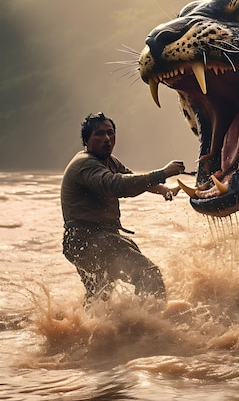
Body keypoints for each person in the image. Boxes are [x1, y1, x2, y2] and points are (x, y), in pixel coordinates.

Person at [61, 112, 185, 305]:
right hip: (88, 239)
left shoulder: (109, 161)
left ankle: (88, 331)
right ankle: (148, 330)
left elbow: (130, 177)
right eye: (100, 134)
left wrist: (164, 190)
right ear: (86, 140)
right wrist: (163, 173)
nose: (107, 139)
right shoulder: (85, 164)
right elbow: (117, 185)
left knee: (99, 297)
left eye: (111, 133)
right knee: (149, 276)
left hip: (89, 240)